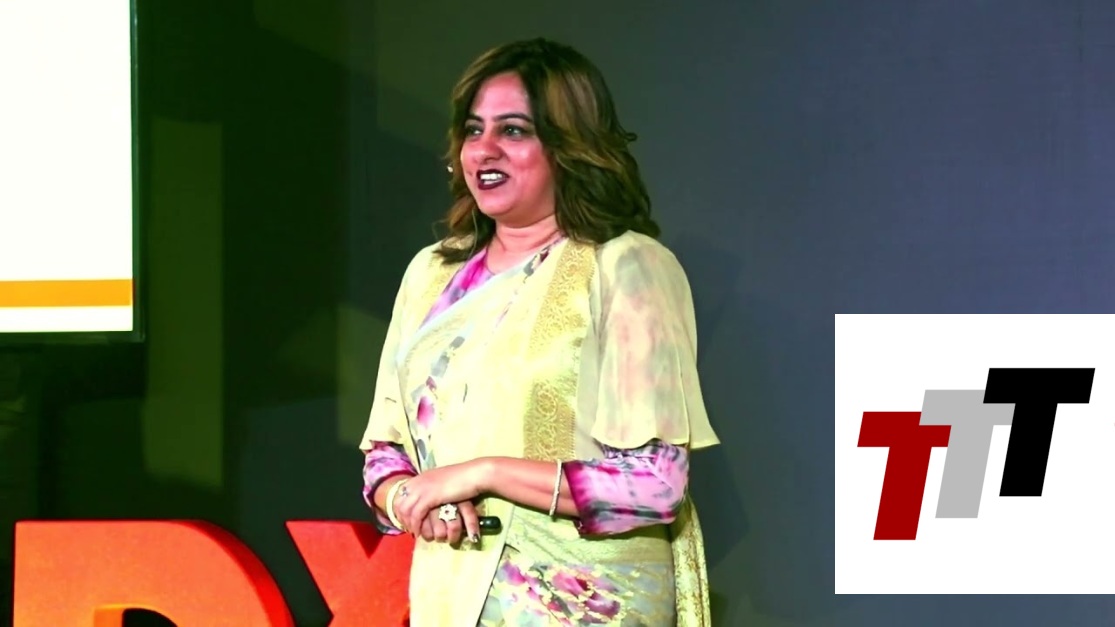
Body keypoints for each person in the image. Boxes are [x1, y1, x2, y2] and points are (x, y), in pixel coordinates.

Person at [359, 37, 720, 626]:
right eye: (473, 130)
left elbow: (656, 484)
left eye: (514, 131)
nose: (484, 149)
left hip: (583, 601)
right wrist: (412, 499)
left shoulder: (626, 265)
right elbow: (384, 454)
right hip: (449, 594)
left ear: (569, 147)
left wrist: (482, 473)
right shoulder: (431, 274)